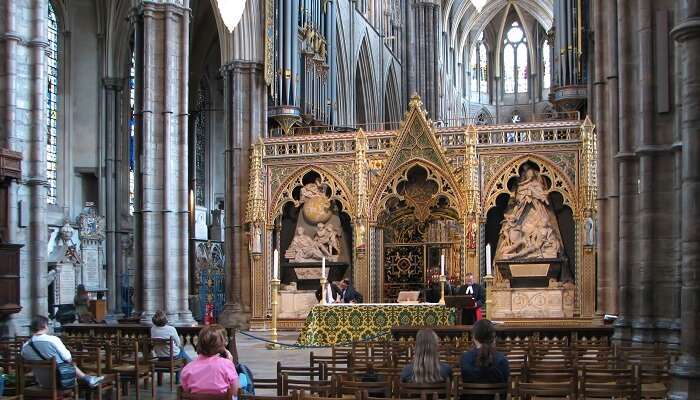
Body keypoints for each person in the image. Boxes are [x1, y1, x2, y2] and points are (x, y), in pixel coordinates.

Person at [21, 315, 104, 388]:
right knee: (67, 363)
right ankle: (88, 379)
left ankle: (88, 379)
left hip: (41, 383)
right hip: (62, 381)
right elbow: (68, 358)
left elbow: (25, 362)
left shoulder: (25, 346)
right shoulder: (53, 340)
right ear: (45, 326)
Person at [181, 324, 239, 397]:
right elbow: (234, 392)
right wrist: (230, 364)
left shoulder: (187, 369)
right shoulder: (226, 364)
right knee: (244, 376)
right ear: (222, 344)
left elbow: (186, 391)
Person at [460, 320, 509, 384]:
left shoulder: (465, 358)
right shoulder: (502, 359)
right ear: (493, 337)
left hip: (471, 394)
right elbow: (505, 385)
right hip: (496, 394)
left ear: (474, 337)